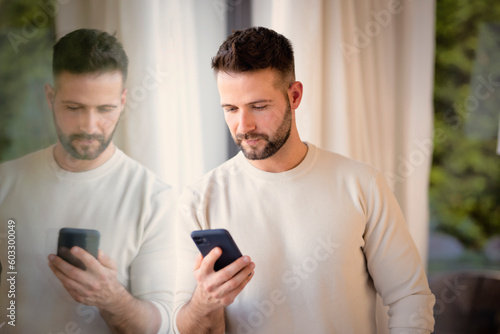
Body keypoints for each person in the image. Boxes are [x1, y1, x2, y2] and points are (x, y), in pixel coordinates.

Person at [173, 26, 435, 334]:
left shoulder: (362, 185)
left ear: (294, 95)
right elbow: (184, 327)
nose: (244, 126)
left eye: (259, 106)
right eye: (231, 109)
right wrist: (205, 301)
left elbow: (410, 298)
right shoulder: (198, 201)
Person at [0, 29, 175, 333]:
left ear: (122, 102)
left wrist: (112, 298)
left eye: (105, 109)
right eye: (74, 108)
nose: (89, 126)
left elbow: (160, 326)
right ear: (50, 98)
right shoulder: (6, 179)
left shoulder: (154, 198)